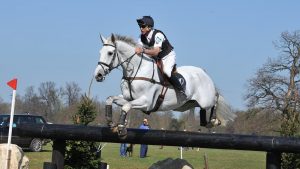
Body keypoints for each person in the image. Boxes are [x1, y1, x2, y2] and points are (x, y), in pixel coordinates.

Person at [135, 16, 186, 97]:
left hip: (167, 56)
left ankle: (181, 90)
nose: (141, 28)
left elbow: (155, 52)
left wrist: (142, 50)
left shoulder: (158, 35)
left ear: (149, 27)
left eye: (143, 26)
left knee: (166, 71)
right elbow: (138, 49)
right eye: (140, 26)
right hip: (156, 58)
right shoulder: (141, 37)